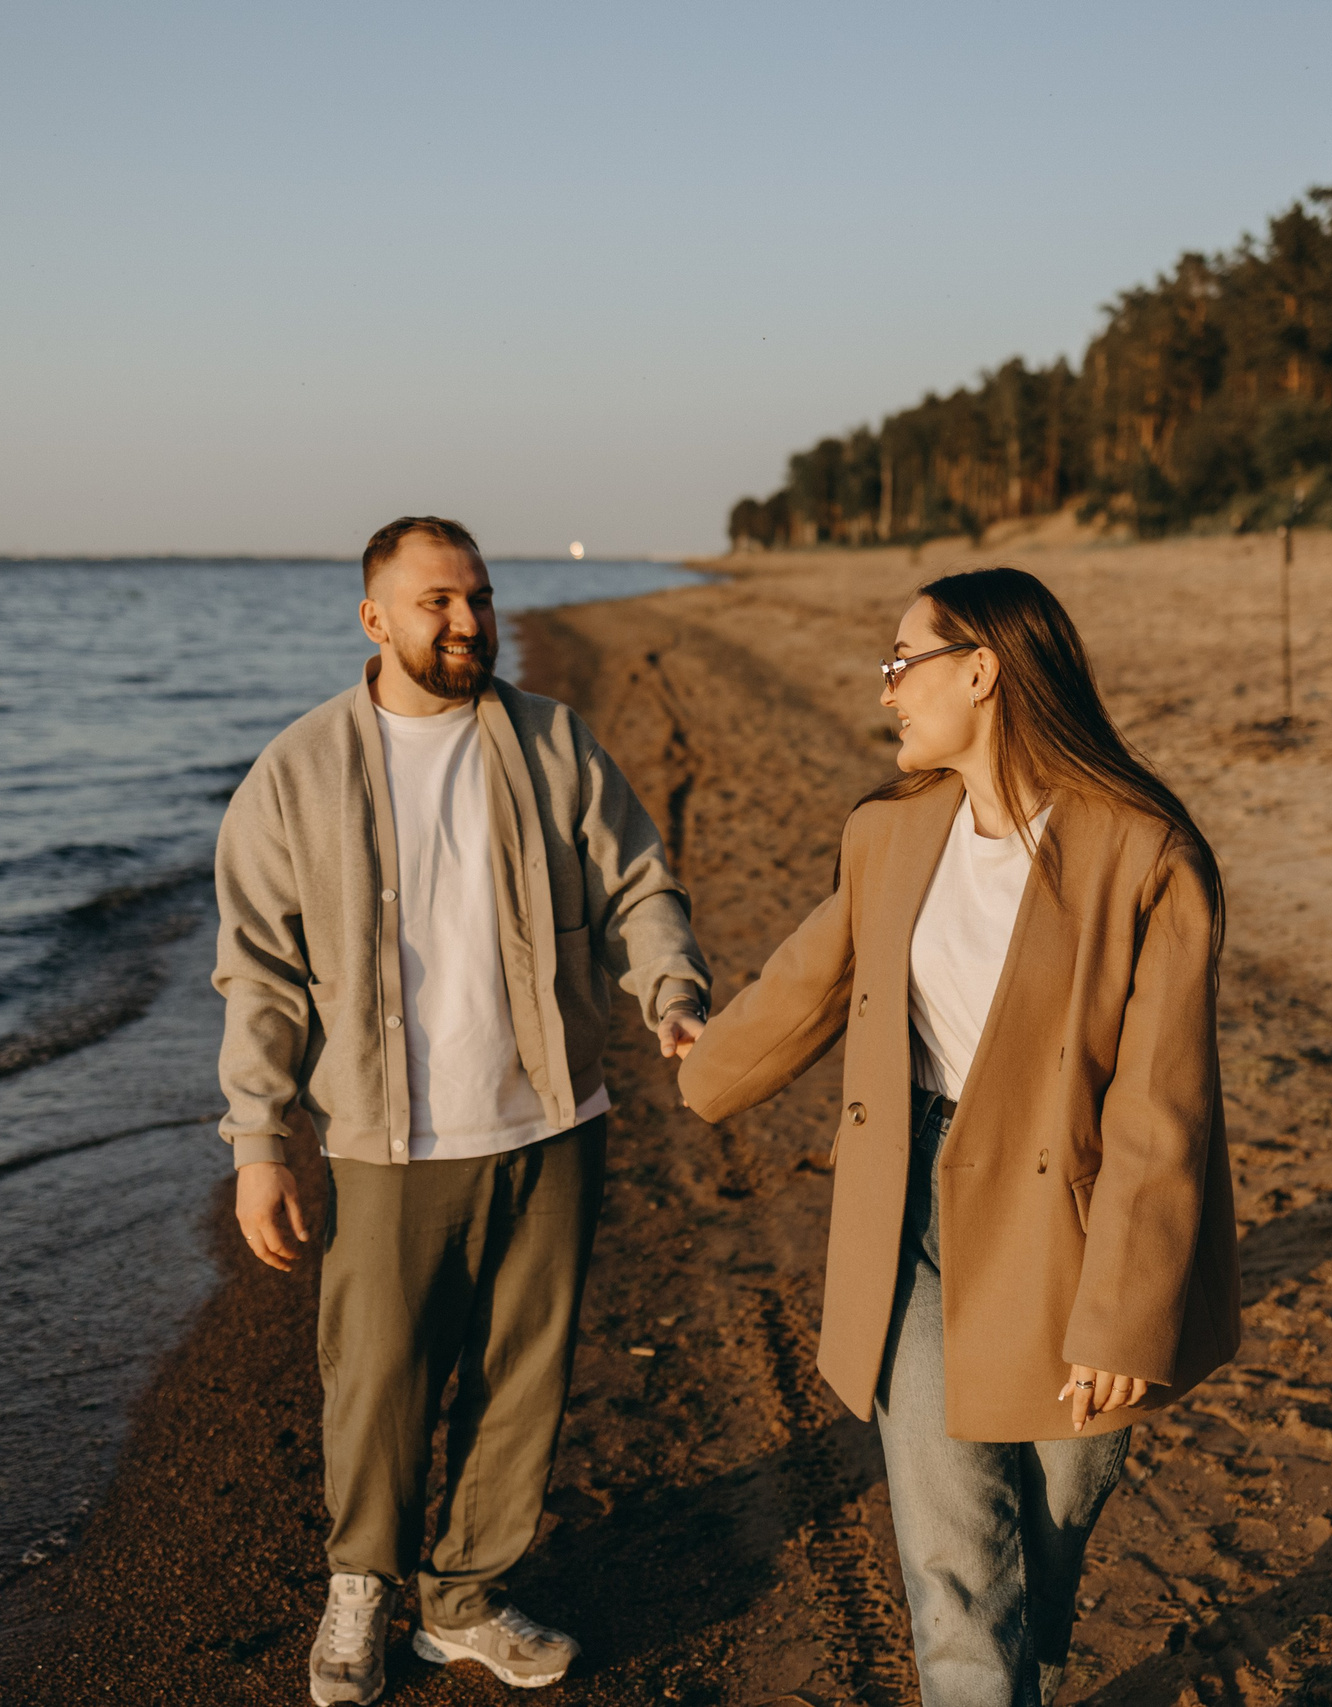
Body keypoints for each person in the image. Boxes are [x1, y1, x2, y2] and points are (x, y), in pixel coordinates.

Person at [674, 566, 1240, 1707]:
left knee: (1051, 1518)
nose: (886, 691)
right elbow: (811, 979)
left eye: (902, 663)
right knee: (954, 1567)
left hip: (1068, 1226)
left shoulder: (1143, 852)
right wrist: (703, 1062)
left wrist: (1125, 1309)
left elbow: (1160, 1103)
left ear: (980, 670)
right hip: (910, 1208)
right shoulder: (891, 834)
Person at [214, 515, 710, 1706]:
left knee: (523, 1376)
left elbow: (637, 881)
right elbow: (259, 973)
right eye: (437, 601)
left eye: (479, 598)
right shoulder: (300, 768)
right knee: (375, 1381)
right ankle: (361, 1590)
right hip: (390, 1140)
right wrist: (258, 1141)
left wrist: (672, 989)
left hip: (551, 1116)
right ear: (373, 618)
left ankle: (468, 1598)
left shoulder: (551, 743)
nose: (467, 621)